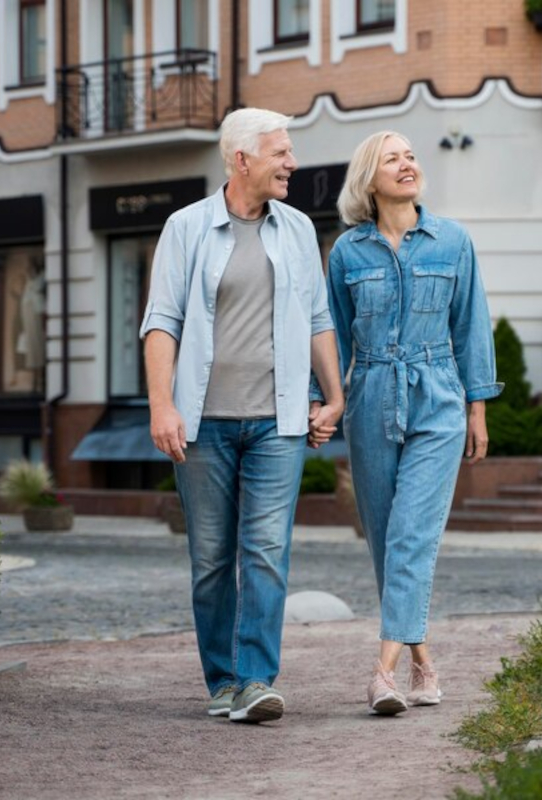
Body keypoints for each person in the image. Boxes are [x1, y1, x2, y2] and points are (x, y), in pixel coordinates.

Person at [140, 108, 344, 724]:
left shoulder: (300, 229)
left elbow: (317, 318)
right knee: (210, 561)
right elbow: (162, 322)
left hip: (278, 422)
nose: (293, 163)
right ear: (242, 160)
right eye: (281, 153)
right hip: (203, 425)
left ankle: (256, 680)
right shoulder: (187, 227)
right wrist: (161, 404)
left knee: (263, 551)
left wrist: (333, 395)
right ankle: (222, 681)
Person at [323, 131, 501, 715]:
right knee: (386, 540)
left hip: (439, 395)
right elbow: (331, 336)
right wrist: (324, 400)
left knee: (411, 535)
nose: (406, 165)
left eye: (410, 156)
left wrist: (477, 408)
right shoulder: (348, 253)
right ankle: (425, 665)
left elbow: (472, 326)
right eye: (391, 159)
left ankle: (383, 673)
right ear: (369, 180)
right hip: (371, 395)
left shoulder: (453, 242)